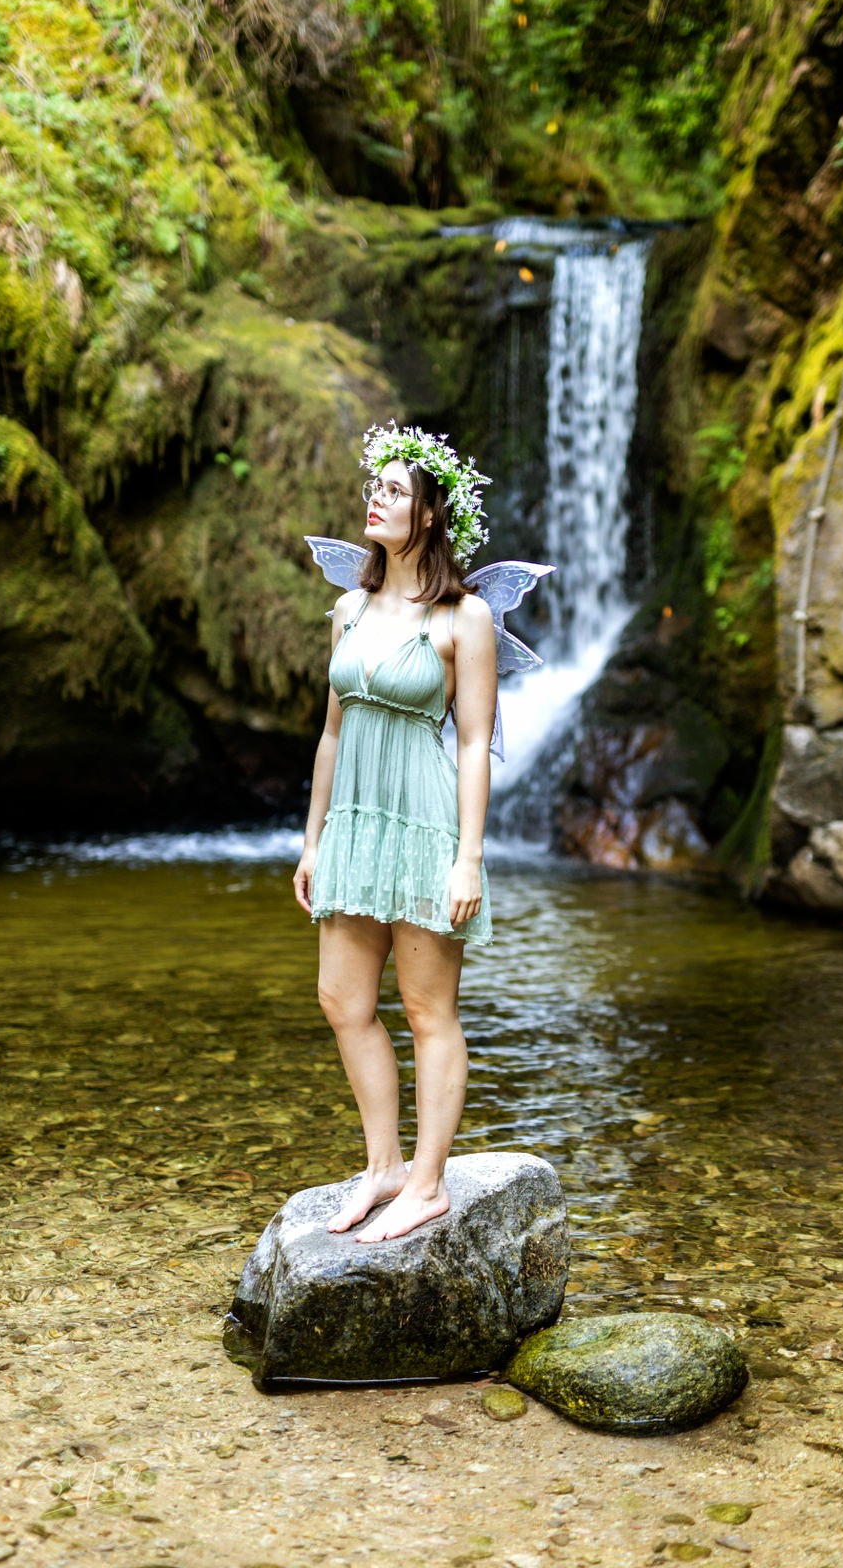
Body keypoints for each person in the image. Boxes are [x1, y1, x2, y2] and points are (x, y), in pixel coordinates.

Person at [292, 425, 497, 1243]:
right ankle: (381, 1166)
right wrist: (312, 840)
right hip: (352, 824)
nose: (374, 497)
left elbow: (476, 741)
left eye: (394, 490)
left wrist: (467, 857)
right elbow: (332, 735)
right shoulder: (347, 606)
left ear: (431, 514)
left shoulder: (463, 617)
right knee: (342, 1000)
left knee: (425, 1008)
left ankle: (427, 1182)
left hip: (422, 824)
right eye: (373, 487)